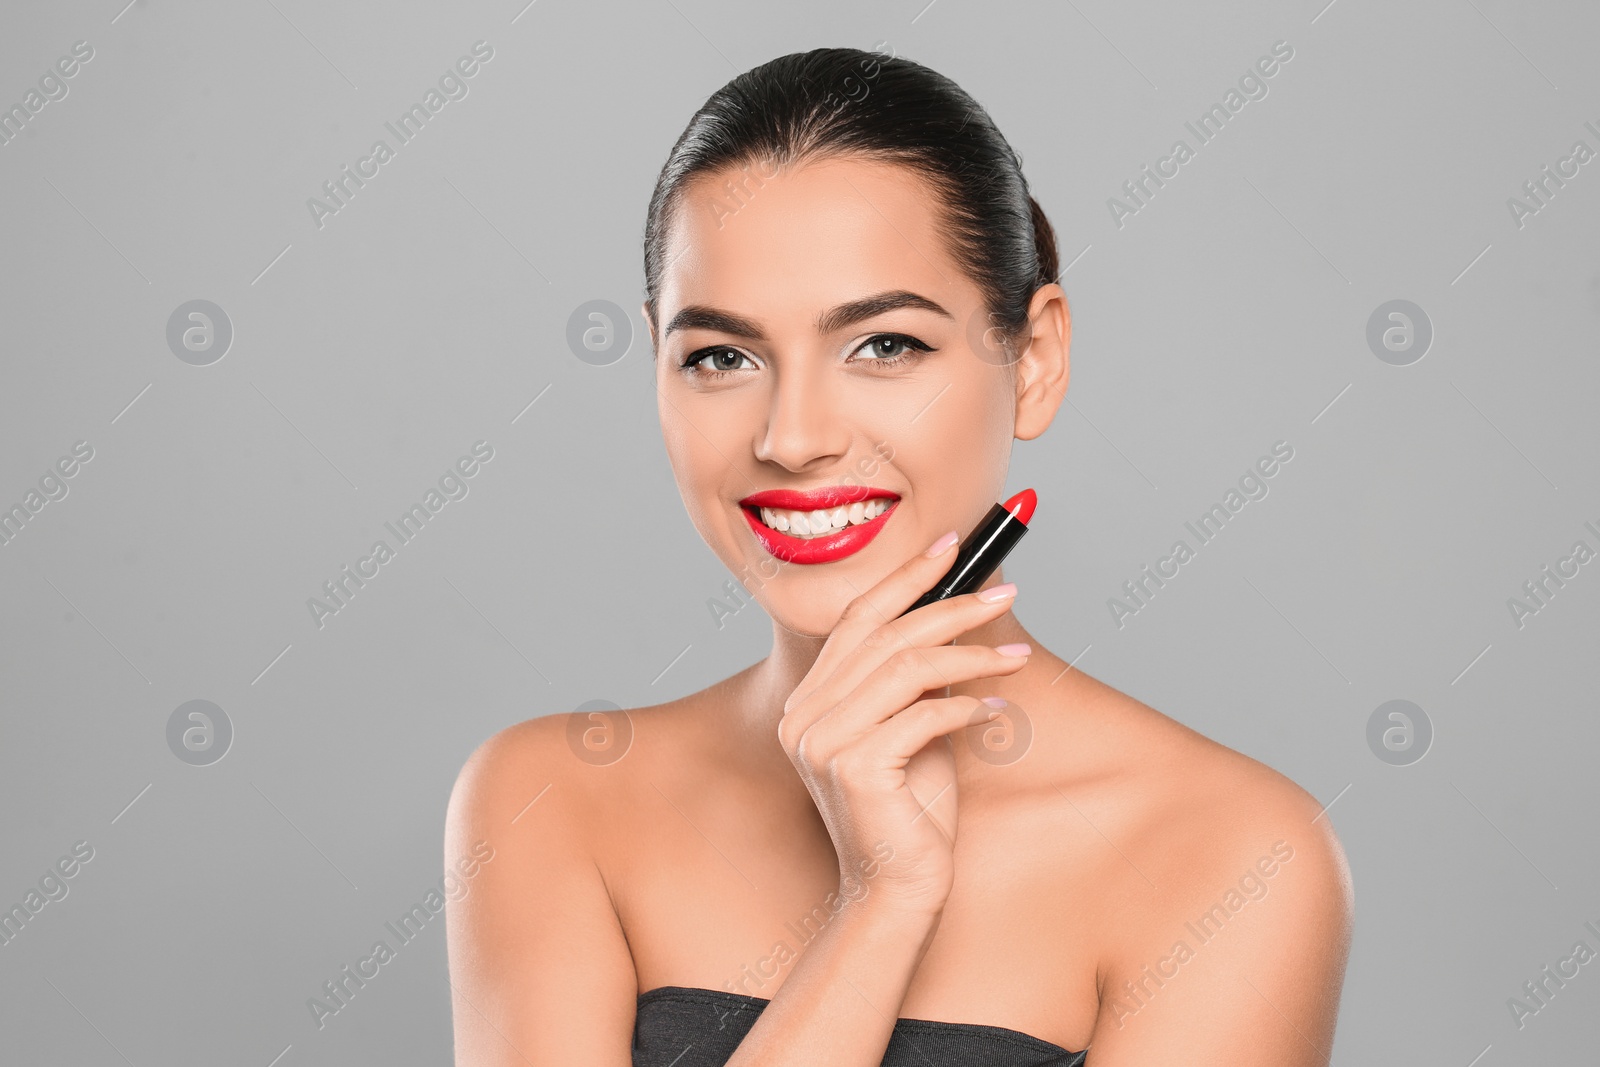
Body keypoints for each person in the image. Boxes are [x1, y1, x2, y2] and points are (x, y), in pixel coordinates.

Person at [445, 45, 1352, 1066]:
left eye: (884, 345)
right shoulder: (548, 798)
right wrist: (879, 905)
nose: (791, 435)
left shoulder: (1230, 857)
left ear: (1035, 359)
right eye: (720, 356)